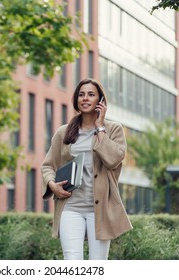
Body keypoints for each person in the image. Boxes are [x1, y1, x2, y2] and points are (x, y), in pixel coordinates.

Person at [41, 78, 132, 260]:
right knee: (72, 261)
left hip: (100, 209)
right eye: (81, 94)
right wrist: (52, 184)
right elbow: (48, 165)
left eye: (91, 94)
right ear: (76, 100)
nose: (85, 98)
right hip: (70, 206)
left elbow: (114, 159)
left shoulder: (113, 129)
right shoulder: (64, 132)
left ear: (100, 101)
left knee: (97, 264)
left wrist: (100, 129)